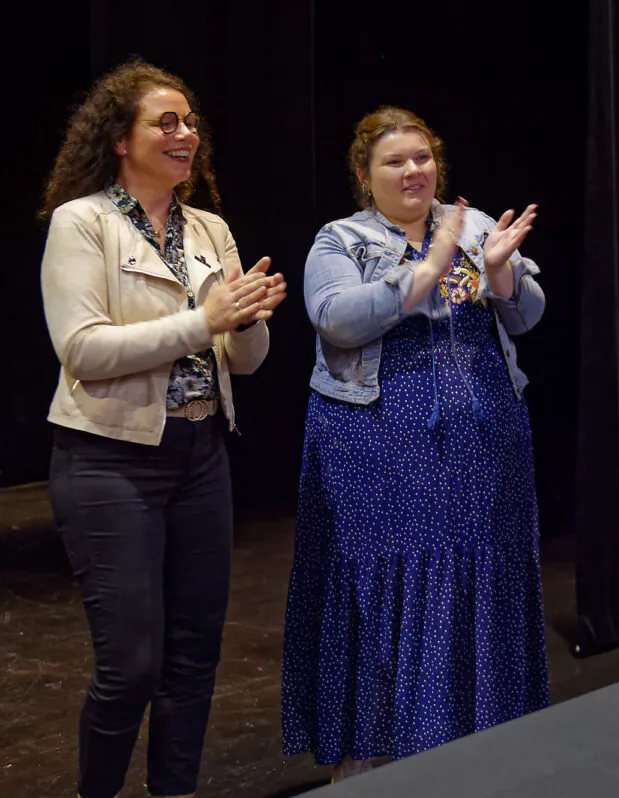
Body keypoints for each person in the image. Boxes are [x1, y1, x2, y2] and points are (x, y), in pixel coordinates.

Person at [39, 59, 286, 798]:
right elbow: (82, 350)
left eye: (190, 123)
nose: (186, 134)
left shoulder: (209, 226)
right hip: (107, 461)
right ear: (121, 138)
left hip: (200, 452)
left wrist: (244, 323)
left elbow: (244, 361)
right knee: (132, 665)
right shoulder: (83, 223)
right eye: (166, 122)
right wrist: (201, 321)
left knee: (192, 655)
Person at [281, 107, 549, 781]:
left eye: (423, 157)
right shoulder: (340, 240)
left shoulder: (477, 226)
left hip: (484, 439)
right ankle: (377, 755)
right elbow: (337, 320)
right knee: (385, 589)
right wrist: (424, 270)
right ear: (364, 175)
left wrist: (502, 273)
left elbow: (530, 312)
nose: (413, 171)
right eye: (395, 161)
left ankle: (481, 742)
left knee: (477, 578)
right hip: (378, 443)